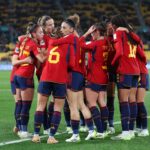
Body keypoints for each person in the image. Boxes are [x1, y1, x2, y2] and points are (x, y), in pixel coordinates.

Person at [51, 19, 95, 142]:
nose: (61, 30)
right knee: (81, 104)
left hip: (72, 75)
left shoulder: (70, 39)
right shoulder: (78, 41)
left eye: (64, 27)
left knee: (72, 106)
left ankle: (75, 135)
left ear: (71, 29)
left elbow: (54, 43)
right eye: (61, 27)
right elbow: (80, 41)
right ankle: (91, 130)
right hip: (80, 75)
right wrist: (86, 34)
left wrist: (50, 40)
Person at [32, 27, 75, 144]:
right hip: (60, 79)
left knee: (40, 106)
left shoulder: (51, 44)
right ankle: (51, 137)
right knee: (57, 108)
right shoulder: (69, 46)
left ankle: (36, 135)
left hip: (45, 77)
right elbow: (72, 64)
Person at [110, 14, 140, 140]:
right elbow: (138, 40)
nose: (111, 26)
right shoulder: (130, 34)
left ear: (115, 24)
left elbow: (120, 52)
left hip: (125, 70)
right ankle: (131, 130)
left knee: (123, 101)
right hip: (135, 70)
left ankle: (125, 132)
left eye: (112, 24)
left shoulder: (117, 33)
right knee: (131, 100)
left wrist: (112, 65)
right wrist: (128, 30)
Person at [14, 23, 46, 138]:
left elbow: (20, 38)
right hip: (26, 75)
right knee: (26, 105)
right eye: (40, 32)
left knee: (21, 104)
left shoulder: (24, 40)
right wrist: (50, 50)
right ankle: (23, 131)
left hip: (17, 75)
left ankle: (20, 129)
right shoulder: (33, 44)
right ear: (34, 34)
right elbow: (41, 59)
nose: (42, 34)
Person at [80, 23, 109, 138]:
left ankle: (100, 131)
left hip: (95, 76)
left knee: (91, 103)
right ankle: (104, 129)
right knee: (101, 102)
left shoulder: (96, 43)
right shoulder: (107, 42)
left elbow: (80, 44)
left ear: (97, 31)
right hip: (104, 76)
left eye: (93, 32)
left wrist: (86, 33)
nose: (91, 34)